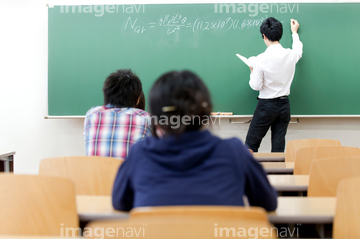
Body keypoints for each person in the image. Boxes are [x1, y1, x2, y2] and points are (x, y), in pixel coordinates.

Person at [112, 70, 277, 212]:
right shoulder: (235, 152)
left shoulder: (139, 155)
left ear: (156, 117)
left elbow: (120, 203)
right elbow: (268, 203)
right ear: (205, 111)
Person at [245, 17, 303, 152]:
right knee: (278, 147)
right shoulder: (290, 54)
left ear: (264, 36)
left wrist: (252, 71)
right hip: (284, 106)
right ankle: (279, 173)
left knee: (251, 145)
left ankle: (248, 173)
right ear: (280, 34)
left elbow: (256, 86)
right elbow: (298, 51)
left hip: (266, 106)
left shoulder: (260, 59)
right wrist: (294, 32)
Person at [84, 69, 151, 159]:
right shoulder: (145, 117)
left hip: (96, 173)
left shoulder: (91, 114)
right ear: (138, 99)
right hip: (128, 173)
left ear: (106, 94)